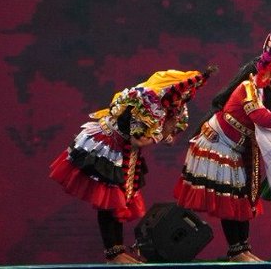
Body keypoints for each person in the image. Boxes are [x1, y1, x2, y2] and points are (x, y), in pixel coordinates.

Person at [175, 23, 271, 262]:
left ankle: (243, 248)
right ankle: (236, 251)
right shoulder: (248, 88)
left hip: (242, 148)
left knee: (243, 198)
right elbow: (263, 118)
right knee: (229, 198)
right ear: (266, 68)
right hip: (222, 145)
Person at [50, 68, 214, 264]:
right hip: (109, 146)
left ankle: (117, 251)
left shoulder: (175, 107)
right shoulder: (147, 102)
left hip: (128, 151)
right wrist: (162, 132)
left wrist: (169, 125)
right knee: (110, 199)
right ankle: (113, 254)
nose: (187, 96)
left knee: (118, 200)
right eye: (185, 91)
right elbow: (139, 140)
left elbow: (168, 138)